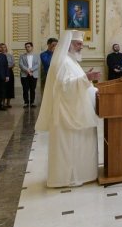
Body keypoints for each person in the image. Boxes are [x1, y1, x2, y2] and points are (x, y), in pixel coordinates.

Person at [37, 31, 101, 187]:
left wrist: (87, 79)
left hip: (77, 109)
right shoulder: (63, 62)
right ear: (69, 45)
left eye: (81, 44)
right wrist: (87, 78)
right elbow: (65, 86)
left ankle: (83, 174)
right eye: (78, 44)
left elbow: (73, 81)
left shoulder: (71, 61)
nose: (81, 47)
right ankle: (67, 177)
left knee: (80, 144)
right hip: (67, 114)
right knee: (70, 145)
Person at [19, 42, 40, 107]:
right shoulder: (22, 56)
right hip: (24, 74)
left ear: (32, 47)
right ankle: (26, 102)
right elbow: (20, 64)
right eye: (26, 47)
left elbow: (38, 64)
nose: (27, 48)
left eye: (28, 46)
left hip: (33, 74)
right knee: (25, 89)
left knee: (32, 89)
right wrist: (27, 70)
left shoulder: (37, 55)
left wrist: (31, 70)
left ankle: (32, 102)